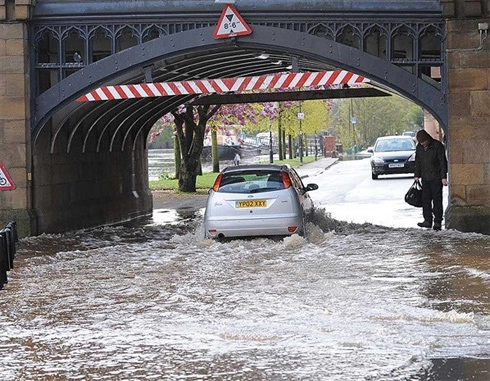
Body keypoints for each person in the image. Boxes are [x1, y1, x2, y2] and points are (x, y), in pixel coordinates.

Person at [414, 129, 448, 231]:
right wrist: (417, 175)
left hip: (436, 178)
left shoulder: (437, 146)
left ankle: (437, 221)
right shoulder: (419, 148)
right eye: (421, 142)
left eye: (424, 142)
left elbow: (442, 162)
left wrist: (443, 177)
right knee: (425, 200)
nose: (423, 144)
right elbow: (418, 161)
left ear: (428, 139)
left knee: (437, 200)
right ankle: (427, 220)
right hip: (425, 177)